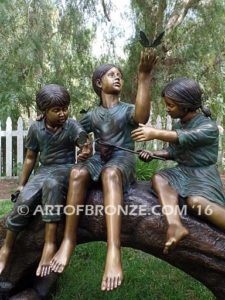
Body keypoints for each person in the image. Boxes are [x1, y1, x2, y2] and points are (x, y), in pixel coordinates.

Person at [49, 49, 157, 291]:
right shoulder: (93, 114)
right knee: (77, 173)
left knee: (110, 174)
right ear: (99, 83)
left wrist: (144, 76)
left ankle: (113, 250)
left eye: (119, 74)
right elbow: (75, 130)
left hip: (122, 158)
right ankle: (68, 240)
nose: (118, 77)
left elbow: (142, 115)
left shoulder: (127, 109)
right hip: (98, 158)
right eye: (112, 74)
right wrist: (83, 147)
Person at [0, 84, 91, 277]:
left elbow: (85, 146)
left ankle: (49, 245)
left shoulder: (72, 126)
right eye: (56, 110)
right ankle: (7, 247)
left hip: (65, 169)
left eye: (65, 108)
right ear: (44, 111)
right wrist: (21, 184)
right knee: (25, 199)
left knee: (53, 185)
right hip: (44, 170)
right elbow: (31, 158)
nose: (62, 114)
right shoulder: (36, 128)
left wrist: (85, 151)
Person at [131, 78, 225, 254]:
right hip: (183, 171)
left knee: (196, 202)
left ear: (185, 105)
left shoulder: (208, 127)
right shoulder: (178, 124)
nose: (167, 108)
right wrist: (153, 154)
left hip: (202, 174)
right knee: (159, 178)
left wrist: (155, 133)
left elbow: (187, 137)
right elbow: (174, 151)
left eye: (171, 105)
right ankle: (174, 224)